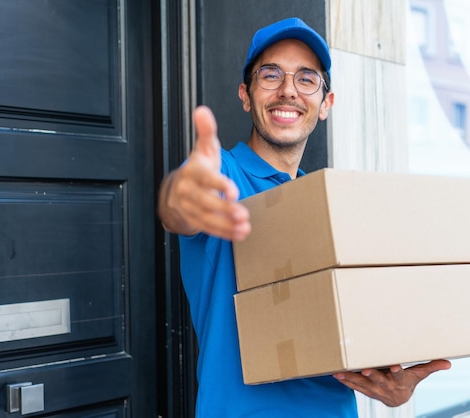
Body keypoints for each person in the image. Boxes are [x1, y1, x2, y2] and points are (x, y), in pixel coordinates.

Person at [157, 17, 451, 417]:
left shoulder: (329, 202)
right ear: (246, 95)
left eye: (307, 78)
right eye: (271, 75)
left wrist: (391, 382)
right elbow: (181, 209)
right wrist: (181, 195)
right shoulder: (222, 176)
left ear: (326, 104)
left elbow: (354, 323)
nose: (288, 91)